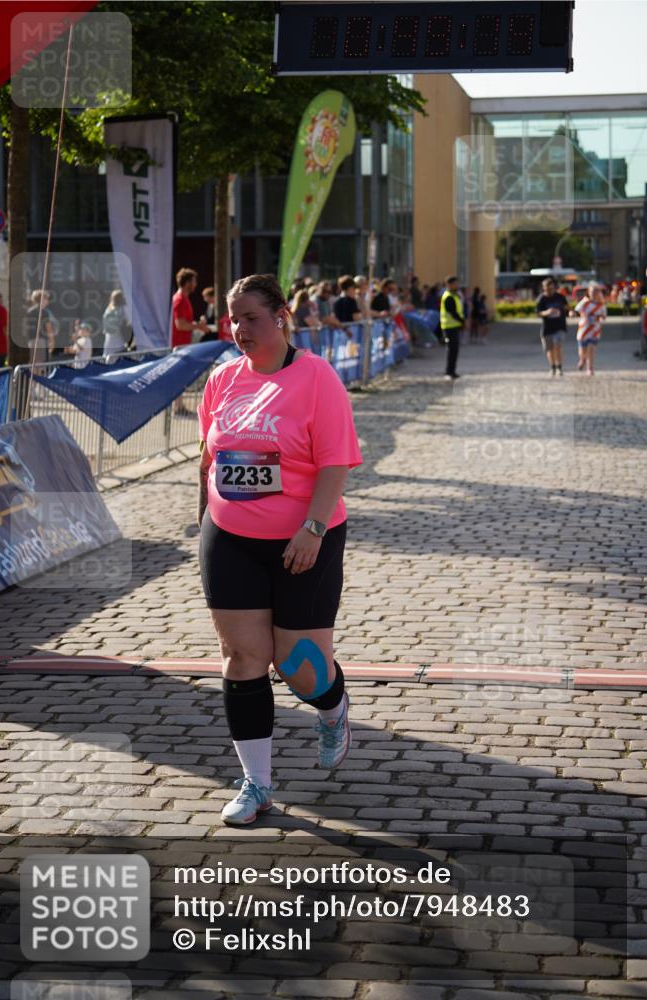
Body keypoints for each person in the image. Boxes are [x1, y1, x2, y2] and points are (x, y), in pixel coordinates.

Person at [197, 273, 363, 826]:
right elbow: (209, 457)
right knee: (243, 658)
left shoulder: (317, 377)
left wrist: (312, 529)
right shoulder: (221, 380)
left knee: (300, 669)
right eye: (233, 318)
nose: (239, 328)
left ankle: (333, 707)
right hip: (231, 536)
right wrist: (203, 524)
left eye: (250, 317)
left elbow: (335, 461)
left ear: (282, 316)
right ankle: (257, 783)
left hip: (305, 537)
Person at [172, 268, 208, 414]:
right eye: (193, 281)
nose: (195, 284)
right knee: (178, 376)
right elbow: (180, 324)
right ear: (187, 283)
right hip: (179, 344)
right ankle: (178, 407)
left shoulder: (183, 298)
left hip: (183, 343)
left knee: (180, 376)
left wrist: (196, 325)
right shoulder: (180, 299)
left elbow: (184, 322)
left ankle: (179, 407)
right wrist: (199, 326)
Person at [535, 277, 568, 377]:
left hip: (560, 326)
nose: (550, 291)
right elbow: (538, 313)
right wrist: (547, 312)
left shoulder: (560, 297)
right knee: (549, 350)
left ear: (554, 287)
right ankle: (552, 367)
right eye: (548, 289)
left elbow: (567, 307)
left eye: (552, 288)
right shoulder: (541, 299)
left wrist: (570, 312)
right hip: (547, 328)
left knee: (557, 346)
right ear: (544, 288)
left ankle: (559, 367)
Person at [575, 283, 607, 375]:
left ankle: (590, 368)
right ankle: (582, 360)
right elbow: (576, 311)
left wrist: (599, 317)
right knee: (582, 351)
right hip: (583, 330)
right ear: (588, 292)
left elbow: (603, 317)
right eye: (592, 291)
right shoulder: (584, 303)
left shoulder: (601, 305)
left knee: (591, 349)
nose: (594, 293)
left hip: (594, 331)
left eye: (596, 292)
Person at [439, 275, 465, 380]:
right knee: (451, 350)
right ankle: (449, 371)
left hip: (454, 326)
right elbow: (453, 312)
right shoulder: (448, 296)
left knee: (454, 350)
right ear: (449, 284)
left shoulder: (454, 295)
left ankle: (452, 371)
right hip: (449, 326)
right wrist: (463, 322)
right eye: (455, 283)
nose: (457, 285)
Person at [26, 290, 56, 365]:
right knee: (40, 363)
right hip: (40, 340)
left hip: (31, 340)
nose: (48, 301)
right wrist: (52, 341)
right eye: (46, 298)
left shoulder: (29, 312)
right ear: (42, 299)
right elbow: (48, 327)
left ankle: (33, 376)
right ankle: (38, 376)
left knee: (34, 361)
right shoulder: (44, 312)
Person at [102, 290, 130, 361]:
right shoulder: (123, 308)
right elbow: (128, 321)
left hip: (109, 338)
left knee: (109, 358)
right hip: (119, 339)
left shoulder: (108, 309)